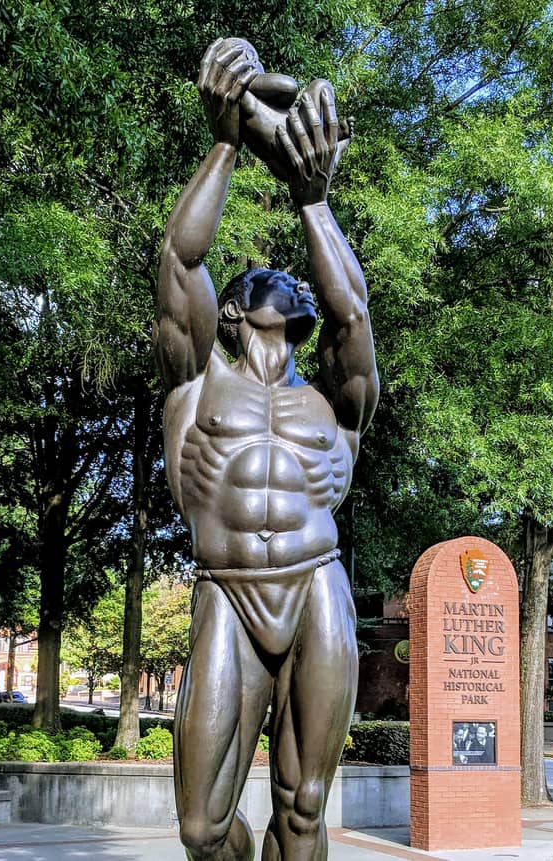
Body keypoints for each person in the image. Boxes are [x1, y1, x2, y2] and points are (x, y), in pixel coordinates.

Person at [156, 37, 377, 861]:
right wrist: (226, 139)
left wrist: (313, 199)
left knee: (306, 809)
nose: (277, 278)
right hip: (228, 593)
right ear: (238, 314)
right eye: (263, 284)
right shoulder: (197, 387)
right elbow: (180, 260)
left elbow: (352, 314)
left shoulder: (331, 403)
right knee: (202, 829)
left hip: (316, 587)